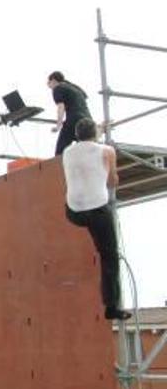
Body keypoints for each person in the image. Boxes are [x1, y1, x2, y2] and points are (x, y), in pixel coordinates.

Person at [62, 118, 130, 320]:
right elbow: (112, 182)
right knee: (109, 257)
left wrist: (99, 127)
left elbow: (88, 139)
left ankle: (112, 306)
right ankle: (111, 307)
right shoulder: (107, 151)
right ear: (97, 134)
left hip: (73, 212)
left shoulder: (67, 151)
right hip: (97, 211)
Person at [49, 71, 92, 156]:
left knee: (60, 151)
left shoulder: (58, 88)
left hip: (74, 119)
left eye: (49, 82)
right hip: (88, 120)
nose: (49, 85)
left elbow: (61, 107)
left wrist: (58, 125)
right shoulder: (75, 87)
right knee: (87, 147)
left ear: (53, 80)